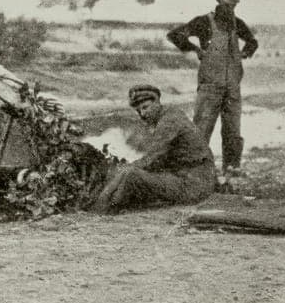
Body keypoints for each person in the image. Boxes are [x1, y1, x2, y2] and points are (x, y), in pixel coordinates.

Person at [166, 0, 259, 177]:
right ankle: (195, 171)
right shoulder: (203, 22)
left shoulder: (238, 24)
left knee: (233, 131)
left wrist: (244, 53)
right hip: (210, 88)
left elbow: (252, 42)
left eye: (234, 0)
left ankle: (231, 169)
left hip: (233, 87)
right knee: (201, 129)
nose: (230, 3)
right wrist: (195, 49)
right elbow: (175, 35)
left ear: (237, 1)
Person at [87, 84, 217, 213]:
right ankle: (102, 206)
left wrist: (125, 169)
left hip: (193, 185)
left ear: (157, 102)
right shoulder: (170, 114)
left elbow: (152, 158)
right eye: (138, 111)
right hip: (195, 179)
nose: (142, 114)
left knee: (130, 175)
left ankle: (100, 209)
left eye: (145, 107)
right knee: (128, 173)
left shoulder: (168, 121)